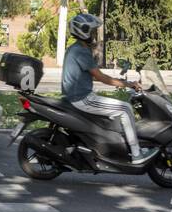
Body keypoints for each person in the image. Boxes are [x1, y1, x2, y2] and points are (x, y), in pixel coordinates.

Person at [61, 13, 152, 164]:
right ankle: (136, 154)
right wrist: (128, 84)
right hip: (82, 99)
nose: (93, 34)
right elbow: (102, 77)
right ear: (83, 32)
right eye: (91, 31)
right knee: (125, 109)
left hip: (78, 96)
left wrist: (122, 81)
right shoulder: (81, 51)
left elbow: (92, 75)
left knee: (114, 112)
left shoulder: (76, 48)